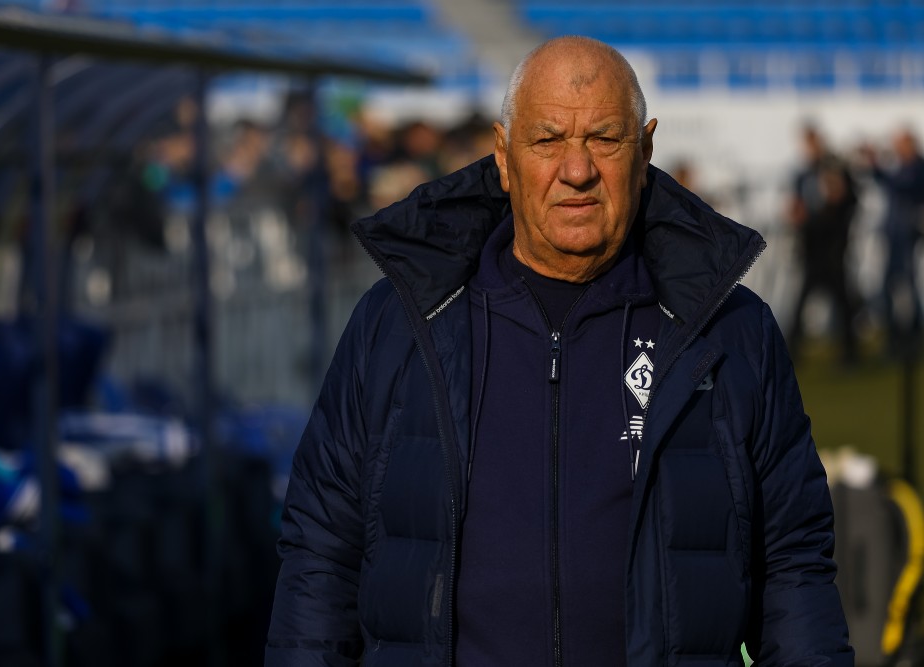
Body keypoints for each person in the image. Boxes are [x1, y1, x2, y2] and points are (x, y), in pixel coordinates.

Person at [266, 37, 852, 666]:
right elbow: (320, 554)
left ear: (645, 151)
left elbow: (794, 564)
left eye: (605, 138)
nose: (577, 170)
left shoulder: (730, 332)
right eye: (547, 140)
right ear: (503, 156)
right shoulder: (398, 324)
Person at [786, 123, 860, 365]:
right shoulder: (804, 174)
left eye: (813, 143)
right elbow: (796, 206)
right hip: (812, 247)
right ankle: (792, 351)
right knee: (803, 302)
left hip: (833, 247)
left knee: (843, 302)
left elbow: (848, 201)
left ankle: (849, 352)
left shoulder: (835, 168)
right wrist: (797, 216)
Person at [862, 128, 924, 353]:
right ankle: (898, 334)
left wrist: (877, 164)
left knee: (906, 285)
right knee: (892, 286)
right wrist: (874, 165)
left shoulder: (917, 168)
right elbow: (888, 183)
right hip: (895, 235)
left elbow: (899, 186)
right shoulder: (904, 167)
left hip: (906, 236)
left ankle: (911, 333)